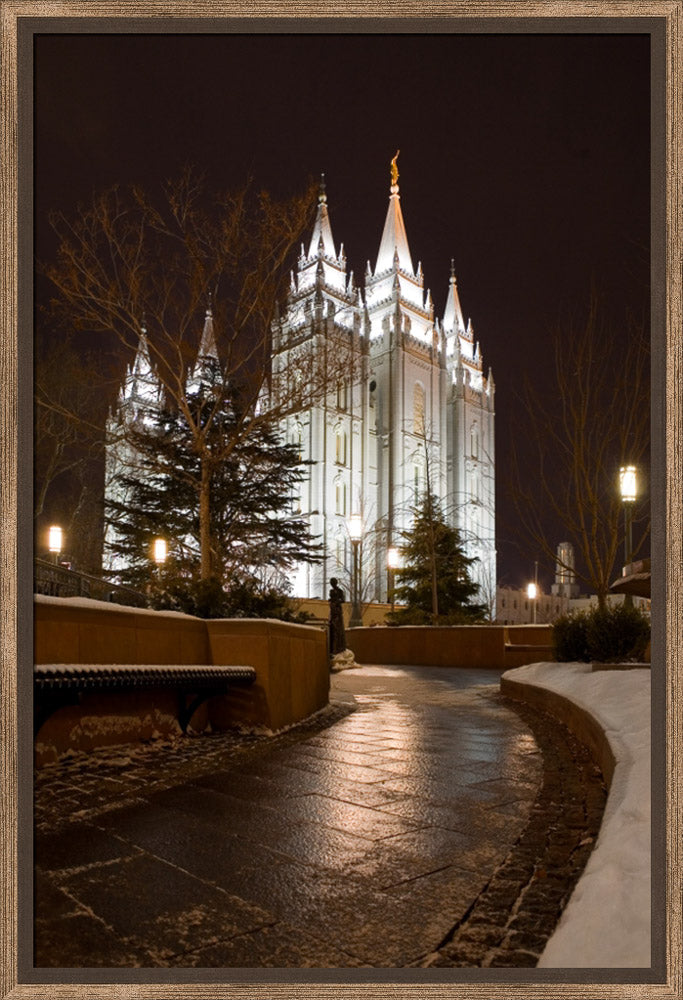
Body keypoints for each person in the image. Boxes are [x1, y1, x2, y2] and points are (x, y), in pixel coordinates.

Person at [328, 577, 346, 656]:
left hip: (337, 611)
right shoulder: (331, 591)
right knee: (332, 628)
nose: (332, 584)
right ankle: (333, 648)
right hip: (333, 611)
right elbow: (331, 599)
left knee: (338, 628)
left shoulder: (340, 591)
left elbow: (343, 600)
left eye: (333, 583)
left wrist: (337, 601)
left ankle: (339, 647)